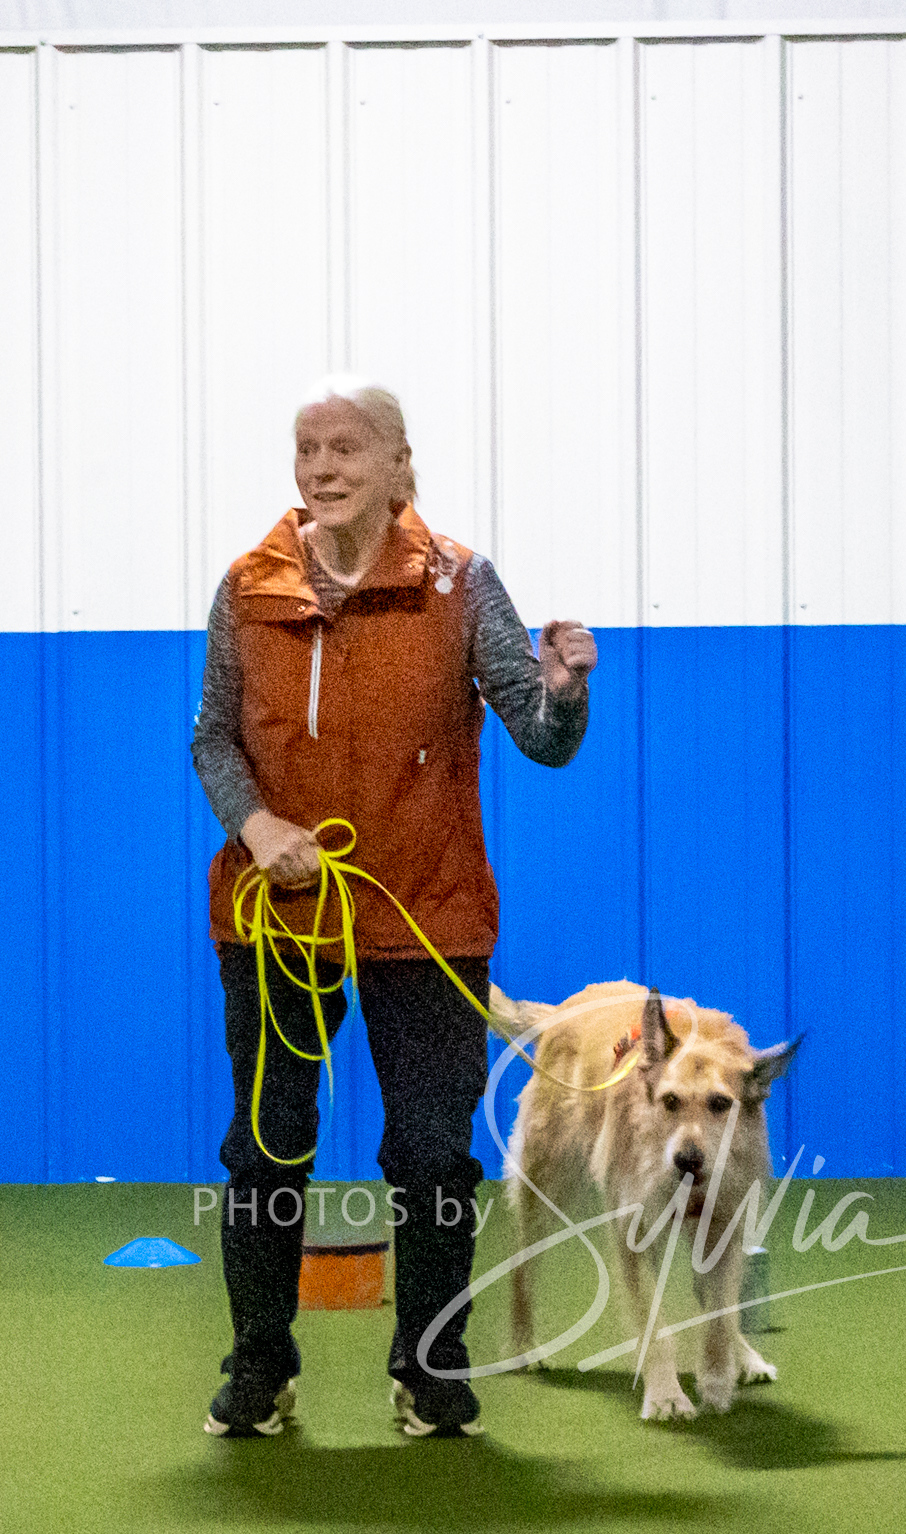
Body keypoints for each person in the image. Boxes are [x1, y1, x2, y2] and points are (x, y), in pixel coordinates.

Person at [191, 376, 597, 1438]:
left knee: (430, 1155)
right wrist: (257, 827)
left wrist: (565, 692)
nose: (321, 468)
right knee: (267, 1147)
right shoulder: (248, 586)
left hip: (427, 915)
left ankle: (430, 1368)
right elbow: (212, 738)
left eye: (346, 449)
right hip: (276, 918)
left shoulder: (462, 584)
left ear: (398, 465)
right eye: (307, 449)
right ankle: (260, 1367)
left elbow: (543, 739)